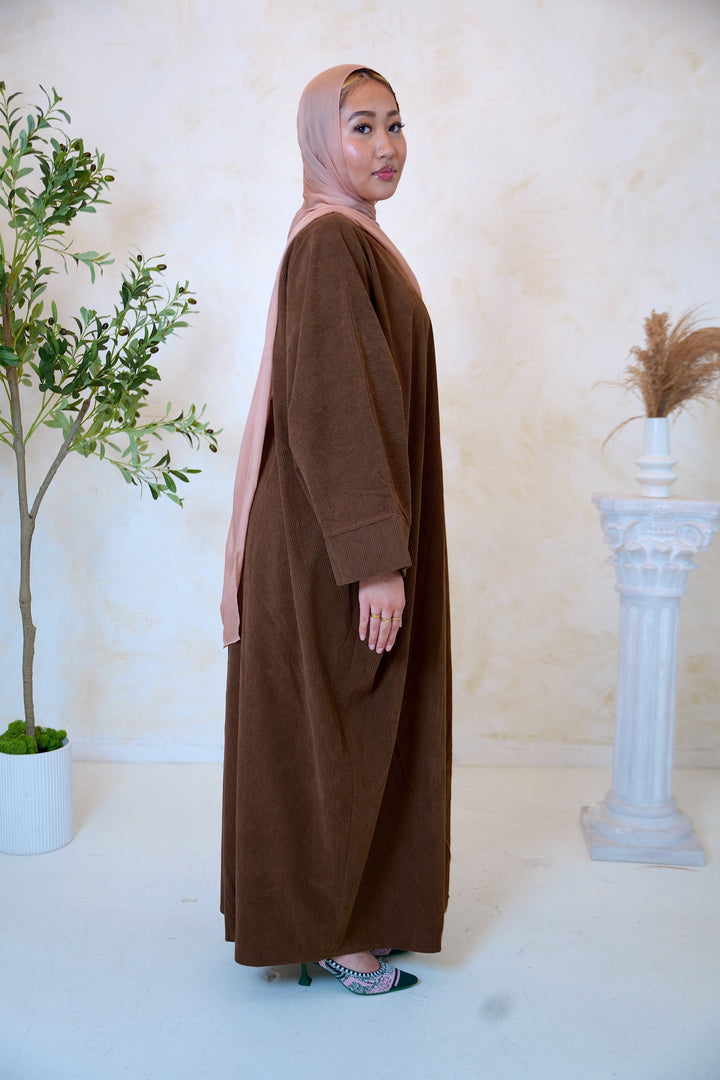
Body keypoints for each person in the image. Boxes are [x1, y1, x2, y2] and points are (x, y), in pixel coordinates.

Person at [220, 64, 451, 997]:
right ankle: (331, 929)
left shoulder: (352, 238)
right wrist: (374, 563)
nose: (386, 147)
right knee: (341, 729)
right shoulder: (328, 246)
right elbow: (334, 409)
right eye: (361, 128)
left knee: (356, 722)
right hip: (330, 546)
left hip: (341, 535)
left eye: (395, 125)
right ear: (322, 140)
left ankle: (354, 909)